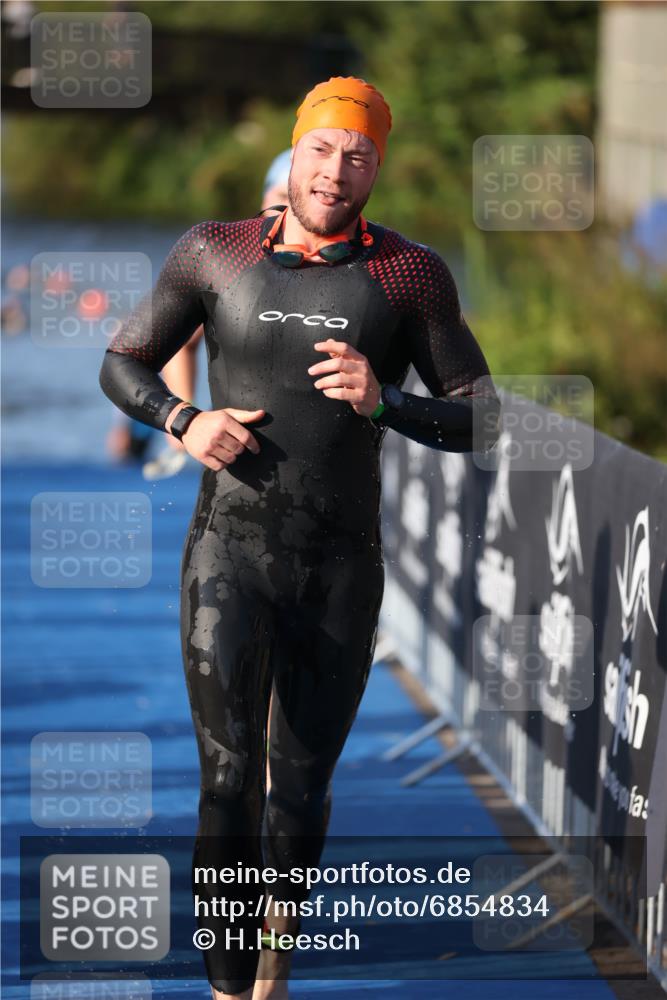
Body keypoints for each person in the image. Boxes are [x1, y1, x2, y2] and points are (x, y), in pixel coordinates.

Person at [99, 76, 498, 1000]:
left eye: (356, 154)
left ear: (374, 169)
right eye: (321, 150)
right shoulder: (217, 252)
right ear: (295, 154)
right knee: (228, 775)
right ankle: (228, 989)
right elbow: (123, 359)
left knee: (300, 789)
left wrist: (386, 400)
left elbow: (483, 416)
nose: (335, 169)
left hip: (338, 565)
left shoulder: (408, 273)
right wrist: (180, 418)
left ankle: (275, 946)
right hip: (226, 555)